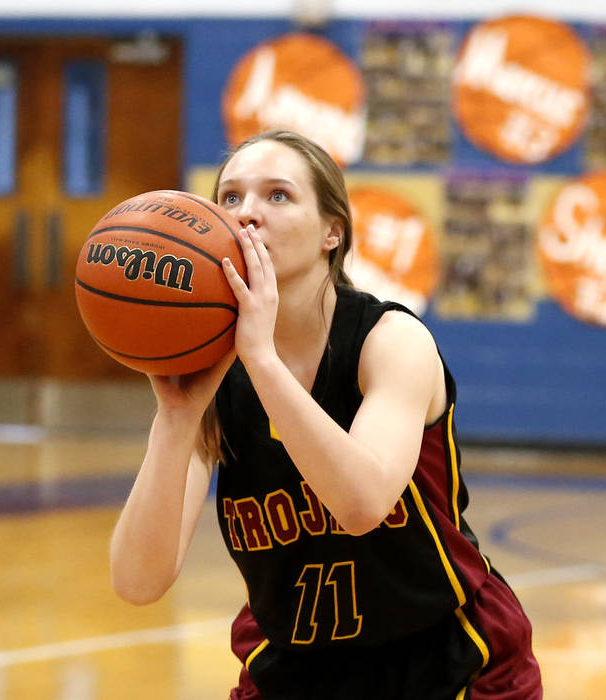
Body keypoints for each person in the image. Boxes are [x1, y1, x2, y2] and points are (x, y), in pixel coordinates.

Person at [109, 130, 542, 699]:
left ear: (331, 232)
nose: (247, 216)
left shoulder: (389, 342)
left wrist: (261, 358)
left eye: (278, 196)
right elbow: (138, 582)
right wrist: (175, 420)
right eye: (231, 197)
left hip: (446, 661)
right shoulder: (208, 374)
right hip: (293, 670)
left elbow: (361, 503)